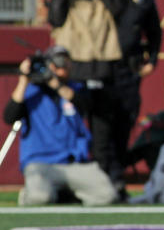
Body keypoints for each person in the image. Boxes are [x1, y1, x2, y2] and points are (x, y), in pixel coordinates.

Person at [48, 0, 126, 196]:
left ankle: (103, 186)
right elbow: (55, 17)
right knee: (70, 129)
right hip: (75, 69)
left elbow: (119, 9)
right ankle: (66, 185)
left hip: (103, 69)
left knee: (103, 136)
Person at [3, 46, 117, 207]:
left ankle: (66, 194)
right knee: (39, 199)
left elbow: (85, 105)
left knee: (107, 195)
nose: (62, 66)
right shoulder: (31, 91)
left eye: (66, 62)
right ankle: (33, 193)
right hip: (41, 161)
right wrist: (24, 79)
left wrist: (56, 85)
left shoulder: (74, 88)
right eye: (57, 62)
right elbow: (9, 116)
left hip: (73, 161)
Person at [107, 0, 162, 196]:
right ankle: (103, 177)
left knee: (124, 123)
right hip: (103, 69)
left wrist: (152, 59)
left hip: (129, 70)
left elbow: (154, 32)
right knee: (101, 126)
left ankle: (116, 179)